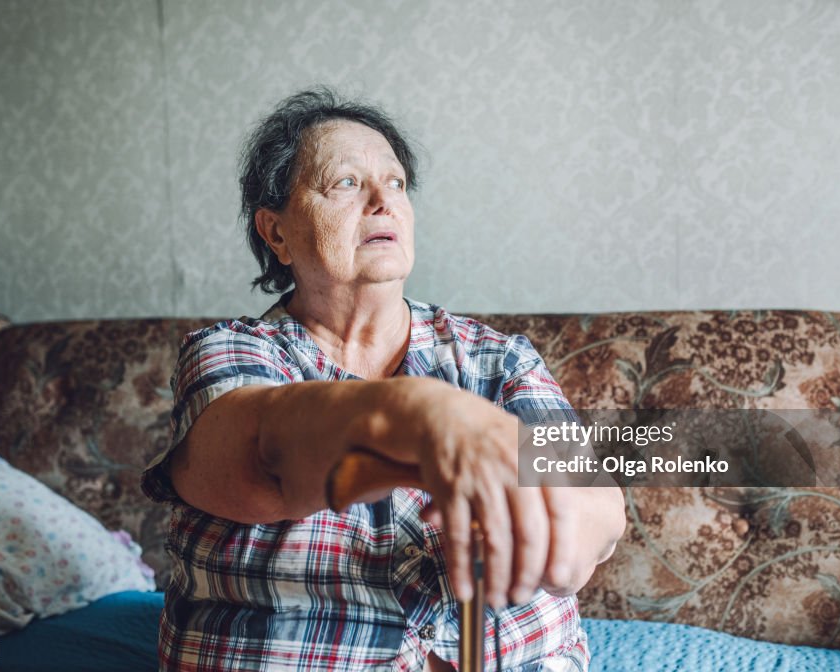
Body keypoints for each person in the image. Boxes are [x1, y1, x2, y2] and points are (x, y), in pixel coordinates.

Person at [141, 87, 626, 671]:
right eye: (345, 183)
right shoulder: (233, 355)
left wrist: (567, 533)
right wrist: (420, 414)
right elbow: (260, 458)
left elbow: (594, 499)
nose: (383, 201)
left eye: (396, 183)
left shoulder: (497, 361)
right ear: (277, 233)